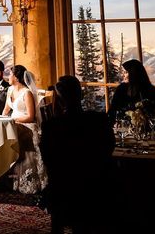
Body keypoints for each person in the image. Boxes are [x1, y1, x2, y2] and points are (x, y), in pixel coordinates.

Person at [40, 75, 117, 233]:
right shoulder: (98, 120)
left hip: (62, 187)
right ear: (81, 95)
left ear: (59, 100)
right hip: (95, 185)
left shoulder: (51, 126)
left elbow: (48, 159)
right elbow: (109, 148)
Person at [2, 64, 47, 194]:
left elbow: (31, 116)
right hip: (13, 123)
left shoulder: (26, 93)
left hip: (27, 126)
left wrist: (13, 120)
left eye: (10, 74)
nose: (8, 77)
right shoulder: (10, 90)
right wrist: (0, 120)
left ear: (16, 77)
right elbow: (6, 109)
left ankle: (27, 181)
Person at [108, 58, 155, 123]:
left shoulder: (151, 91)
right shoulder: (121, 89)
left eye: (126, 72)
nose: (123, 75)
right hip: (121, 128)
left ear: (134, 73)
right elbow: (112, 110)